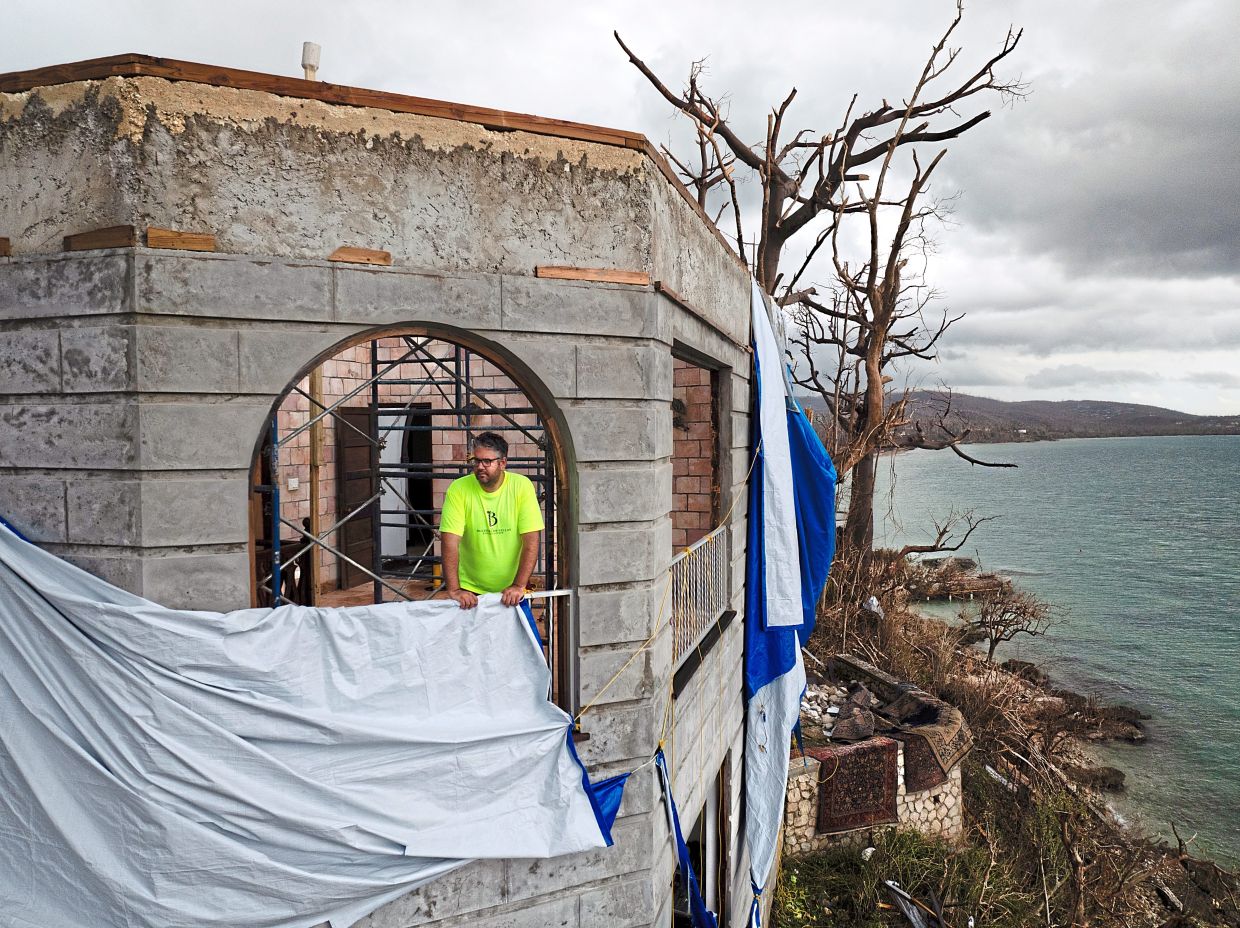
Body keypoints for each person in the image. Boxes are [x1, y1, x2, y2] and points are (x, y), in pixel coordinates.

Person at [439, 431, 544, 609]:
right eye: (476, 460)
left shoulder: (521, 486)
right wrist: (455, 589)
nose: (480, 466)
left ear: (502, 463)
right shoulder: (458, 489)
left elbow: (531, 541)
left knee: (514, 637)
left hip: (512, 590)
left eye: (487, 461)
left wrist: (519, 585)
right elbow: (450, 541)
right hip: (470, 591)